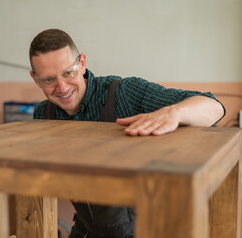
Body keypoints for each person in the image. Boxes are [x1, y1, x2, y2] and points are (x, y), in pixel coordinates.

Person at [29, 29, 225, 238]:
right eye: (49, 80)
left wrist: (174, 112)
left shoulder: (124, 93)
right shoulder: (44, 114)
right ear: (36, 79)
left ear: (83, 63)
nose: (62, 87)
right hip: (88, 229)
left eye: (69, 73)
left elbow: (215, 107)